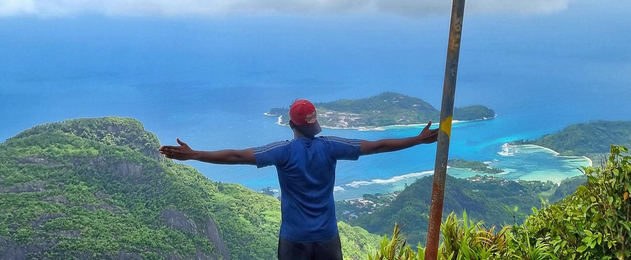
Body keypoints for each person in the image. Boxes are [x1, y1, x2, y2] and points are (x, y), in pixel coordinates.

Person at [158, 99, 439, 260]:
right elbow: (377, 146)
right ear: (314, 124)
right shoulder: (331, 146)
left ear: (291, 124)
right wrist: (417, 139)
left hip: (294, 240)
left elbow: (234, 156)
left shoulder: (282, 152)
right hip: (328, 237)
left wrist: (194, 154)